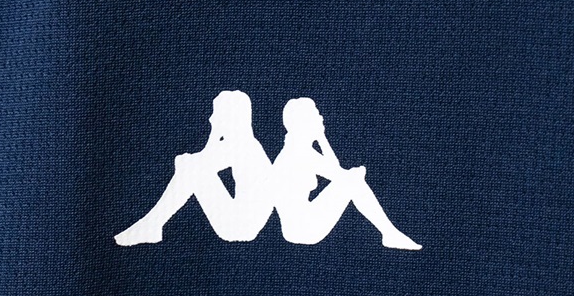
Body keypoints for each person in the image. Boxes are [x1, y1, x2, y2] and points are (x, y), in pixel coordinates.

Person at [115, 91, 273, 245]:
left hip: (238, 227)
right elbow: (205, 157)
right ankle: (152, 224)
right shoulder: (245, 144)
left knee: (190, 167)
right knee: (191, 166)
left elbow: (200, 161)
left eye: (216, 114)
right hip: (241, 224)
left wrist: (214, 134)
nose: (211, 118)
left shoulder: (240, 146)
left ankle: (152, 224)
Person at [272, 98, 422, 249]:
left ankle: (390, 233)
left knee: (352, 178)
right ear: (304, 123)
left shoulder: (296, 150)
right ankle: (389, 233)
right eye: (316, 115)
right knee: (353, 180)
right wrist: (355, 174)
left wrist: (321, 138)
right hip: (303, 229)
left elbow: (335, 169)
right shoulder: (299, 154)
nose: (321, 118)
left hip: (294, 229)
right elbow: (338, 174)